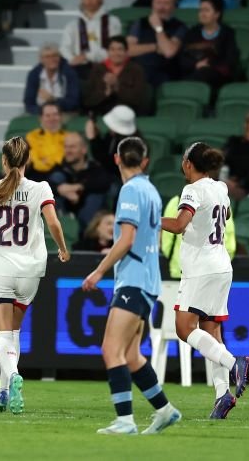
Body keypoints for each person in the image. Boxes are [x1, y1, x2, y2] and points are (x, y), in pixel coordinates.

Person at [81, 137, 181, 435]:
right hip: (148, 280)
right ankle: (165, 410)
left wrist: (99, 271)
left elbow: (126, 238)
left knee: (111, 350)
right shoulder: (151, 190)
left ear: (116, 159)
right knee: (132, 355)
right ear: (145, 161)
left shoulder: (130, 190)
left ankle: (125, 420)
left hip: (133, 281)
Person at [0, 136, 71, 415]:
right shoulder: (41, 188)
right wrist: (62, 249)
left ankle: (12, 376)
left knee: (3, 334)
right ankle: (3, 392)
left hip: (0, 267)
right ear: (27, 161)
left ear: (4, 161)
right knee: (14, 332)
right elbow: (53, 222)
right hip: (30, 271)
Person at [161, 142, 249, 419]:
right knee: (212, 333)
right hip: (222, 265)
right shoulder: (221, 188)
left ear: (188, 163)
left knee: (183, 328)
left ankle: (232, 362)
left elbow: (178, 225)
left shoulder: (192, 190)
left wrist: (151, 218)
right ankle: (222, 395)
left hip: (201, 268)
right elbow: (225, 216)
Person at [49, 132, 112, 231]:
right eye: (66, 147)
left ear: (84, 150)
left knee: (95, 196)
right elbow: (43, 184)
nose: (68, 151)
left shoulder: (95, 168)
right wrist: (60, 189)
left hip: (88, 213)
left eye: (72, 147)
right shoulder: (59, 168)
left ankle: (87, 235)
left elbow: (105, 182)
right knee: (56, 179)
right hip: (65, 211)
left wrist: (79, 187)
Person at [59, 0, 122, 78]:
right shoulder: (72, 25)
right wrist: (73, 59)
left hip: (105, 66)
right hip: (78, 67)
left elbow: (114, 50)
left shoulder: (112, 22)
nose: (89, 0)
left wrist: (87, 56)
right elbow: (64, 48)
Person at [128, 0, 188, 87]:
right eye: (158, 2)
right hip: (139, 71)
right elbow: (128, 50)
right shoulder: (140, 23)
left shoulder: (179, 26)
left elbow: (168, 52)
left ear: (173, 6)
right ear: (152, 4)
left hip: (164, 73)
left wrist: (158, 28)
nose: (161, 7)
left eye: (166, 3)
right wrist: (155, 47)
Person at [179, 0, 238, 93]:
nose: (202, 14)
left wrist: (208, 65)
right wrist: (196, 64)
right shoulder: (192, 32)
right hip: (193, 71)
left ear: (217, 14)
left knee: (204, 73)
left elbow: (230, 60)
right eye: (200, 10)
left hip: (217, 75)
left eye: (206, 10)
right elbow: (183, 58)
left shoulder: (227, 33)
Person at [84, 36, 150, 116]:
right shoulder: (97, 70)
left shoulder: (136, 70)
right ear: (107, 52)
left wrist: (117, 87)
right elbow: (87, 100)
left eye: (120, 49)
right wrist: (105, 93)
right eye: (112, 50)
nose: (116, 53)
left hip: (128, 115)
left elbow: (139, 100)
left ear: (126, 52)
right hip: (101, 114)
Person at [23, 43, 80, 116]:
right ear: (41, 60)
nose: (52, 59)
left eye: (55, 56)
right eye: (47, 57)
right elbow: (28, 103)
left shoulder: (69, 74)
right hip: (40, 113)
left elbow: (73, 102)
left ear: (59, 58)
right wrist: (43, 112)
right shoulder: (34, 75)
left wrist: (54, 100)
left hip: (65, 112)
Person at [85, 105, 140, 181]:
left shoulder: (130, 144)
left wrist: (93, 139)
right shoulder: (113, 135)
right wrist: (97, 136)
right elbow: (104, 151)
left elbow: (108, 165)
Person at [223, 111, 249, 200]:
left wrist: (239, 183)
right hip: (225, 180)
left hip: (244, 188)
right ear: (247, 125)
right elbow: (223, 159)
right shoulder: (234, 141)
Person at [25, 101, 68, 182]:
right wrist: (40, 163)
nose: (52, 118)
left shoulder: (68, 137)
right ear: (41, 118)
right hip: (35, 171)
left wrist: (47, 161)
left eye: (55, 114)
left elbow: (63, 158)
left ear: (61, 117)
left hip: (58, 171)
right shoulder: (32, 136)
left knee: (57, 176)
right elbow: (33, 155)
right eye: (47, 115)